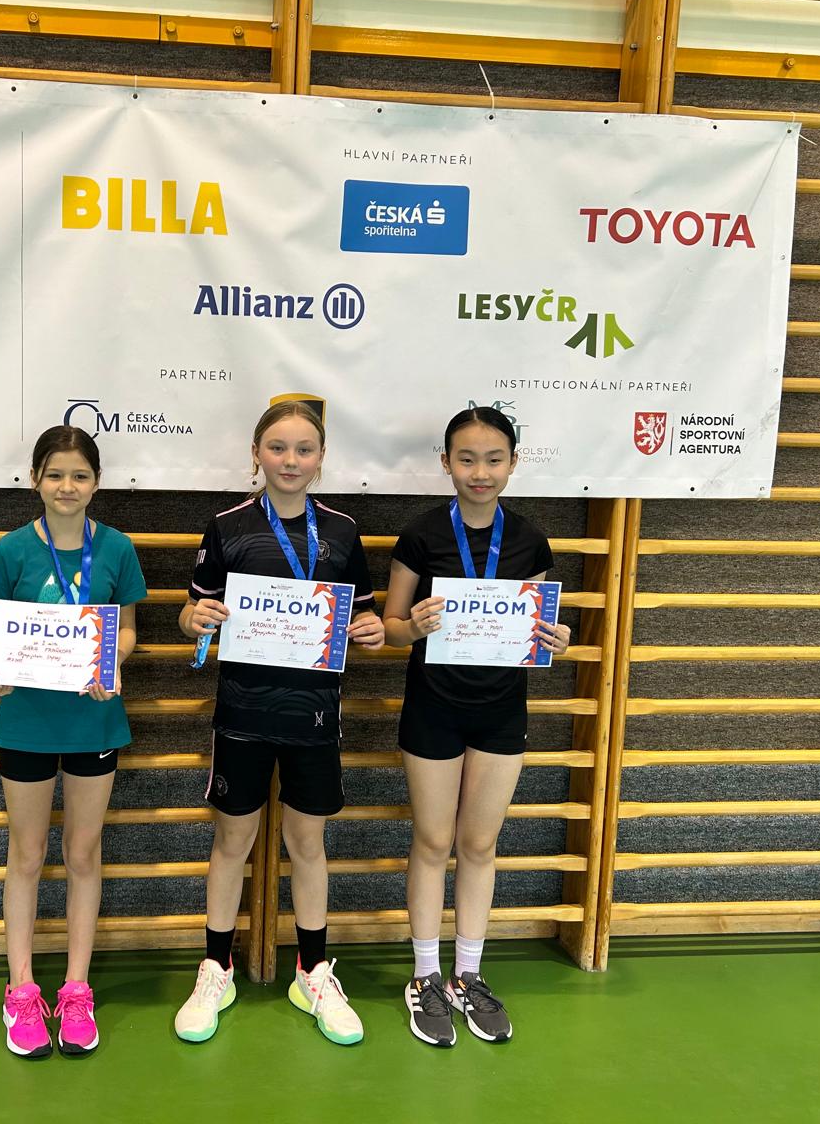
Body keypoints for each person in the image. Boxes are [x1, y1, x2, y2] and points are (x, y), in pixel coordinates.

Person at [172, 401, 384, 1046]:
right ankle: (216, 968)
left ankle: (312, 971)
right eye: (278, 448)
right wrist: (194, 621)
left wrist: (371, 630)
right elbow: (191, 613)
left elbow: (364, 616)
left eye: (304, 449)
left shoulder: (343, 532)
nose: (290, 461)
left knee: (307, 844)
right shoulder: (228, 527)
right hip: (242, 714)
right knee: (232, 842)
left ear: (321, 458)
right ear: (257, 454)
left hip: (314, 716)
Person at [383, 406, 570, 1048]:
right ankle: (425, 976)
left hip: (501, 708)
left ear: (513, 464)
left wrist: (554, 639)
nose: (480, 472)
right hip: (433, 705)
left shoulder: (530, 541)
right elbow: (390, 628)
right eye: (466, 459)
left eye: (494, 459)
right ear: (446, 463)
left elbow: (533, 628)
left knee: (481, 844)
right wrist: (414, 626)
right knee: (434, 841)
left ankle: (469, 973)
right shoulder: (420, 535)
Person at [0, 425, 146, 1058]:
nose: (67, 486)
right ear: (35, 480)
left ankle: (76, 988)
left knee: (82, 855)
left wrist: (112, 663)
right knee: (26, 856)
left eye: (79, 475)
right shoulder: (13, 548)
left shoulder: (117, 548)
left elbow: (127, 630)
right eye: (54, 474)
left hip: (92, 723)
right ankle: (21, 989)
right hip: (25, 723)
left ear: (97, 482)